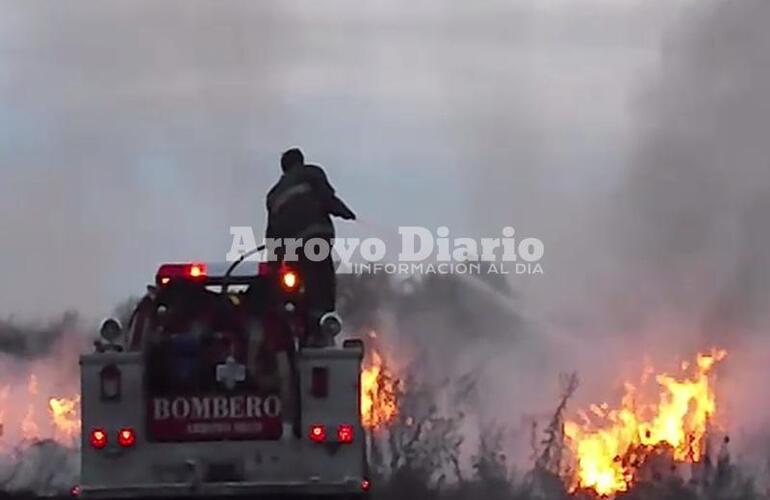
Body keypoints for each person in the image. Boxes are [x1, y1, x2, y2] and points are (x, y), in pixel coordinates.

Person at [265, 148, 355, 316]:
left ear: (283, 168)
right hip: (318, 237)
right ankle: (324, 321)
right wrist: (345, 212)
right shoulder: (312, 173)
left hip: (293, 247)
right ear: (301, 161)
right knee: (323, 280)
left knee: (297, 283)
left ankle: (300, 314)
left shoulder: (273, 194)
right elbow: (328, 199)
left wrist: (273, 265)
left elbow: (272, 234)